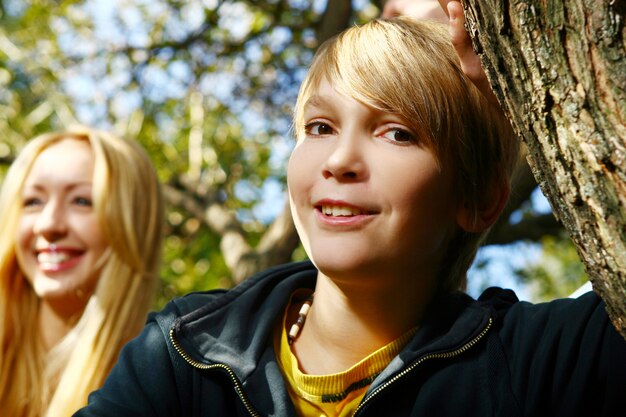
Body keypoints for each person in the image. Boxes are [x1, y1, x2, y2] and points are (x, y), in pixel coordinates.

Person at [75, 8, 626, 417]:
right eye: (320, 127)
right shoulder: (181, 352)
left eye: (398, 133)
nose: (339, 160)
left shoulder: (540, 363)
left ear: (479, 198)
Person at [0, 126, 164, 417]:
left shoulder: (164, 386)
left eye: (82, 201)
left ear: (135, 225)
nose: (48, 225)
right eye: (33, 201)